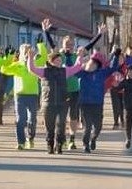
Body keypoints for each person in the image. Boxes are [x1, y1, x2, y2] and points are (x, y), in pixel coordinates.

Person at [43, 18, 107, 150]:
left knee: (73, 116)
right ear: (63, 44)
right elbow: (51, 45)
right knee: (60, 118)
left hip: (75, 90)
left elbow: (89, 46)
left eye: (71, 44)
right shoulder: (58, 54)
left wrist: (100, 34)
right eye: (67, 44)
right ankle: (61, 138)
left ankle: (72, 139)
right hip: (60, 91)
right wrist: (46, 32)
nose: (69, 46)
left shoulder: (77, 54)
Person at [27, 46, 85, 154]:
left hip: (62, 103)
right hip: (47, 103)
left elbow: (77, 67)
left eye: (60, 60)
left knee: (61, 125)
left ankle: (59, 145)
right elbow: (32, 69)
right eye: (57, 60)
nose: (59, 62)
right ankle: (50, 145)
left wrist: (80, 55)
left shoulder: (65, 71)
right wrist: (30, 57)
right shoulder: (44, 71)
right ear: (51, 61)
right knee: (49, 127)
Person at [0, 36, 47, 150]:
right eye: (24, 51)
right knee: (20, 119)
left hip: (33, 95)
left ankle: (30, 138)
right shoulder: (17, 65)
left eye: (29, 51)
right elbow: (4, 69)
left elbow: (44, 57)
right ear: (21, 53)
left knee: (32, 119)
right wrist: (9, 56)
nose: (27, 53)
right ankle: (20, 142)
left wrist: (40, 45)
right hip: (20, 95)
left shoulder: (35, 62)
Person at [75, 47, 120, 153]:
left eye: (94, 64)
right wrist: (79, 56)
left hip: (98, 104)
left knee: (98, 126)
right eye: (90, 63)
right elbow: (73, 70)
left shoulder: (101, 73)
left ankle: (93, 139)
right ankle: (85, 145)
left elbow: (113, 68)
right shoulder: (82, 73)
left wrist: (116, 56)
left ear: (98, 66)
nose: (91, 65)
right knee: (88, 126)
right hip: (85, 103)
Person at [104, 51, 126, 129]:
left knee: (122, 106)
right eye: (118, 58)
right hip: (113, 88)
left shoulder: (126, 67)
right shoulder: (112, 67)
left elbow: (127, 78)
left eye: (121, 58)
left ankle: (122, 120)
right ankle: (116, 122)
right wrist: (111, 83)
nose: (120, 60)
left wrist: (121, 84)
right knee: (115, 106)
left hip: (123, 89)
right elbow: (108, 77)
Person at [0, 46, 14, 126]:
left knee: (0, 103)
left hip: (0, 86)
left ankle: (0, 119)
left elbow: (7, 76)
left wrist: (7, 88)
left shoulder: (3, 64)